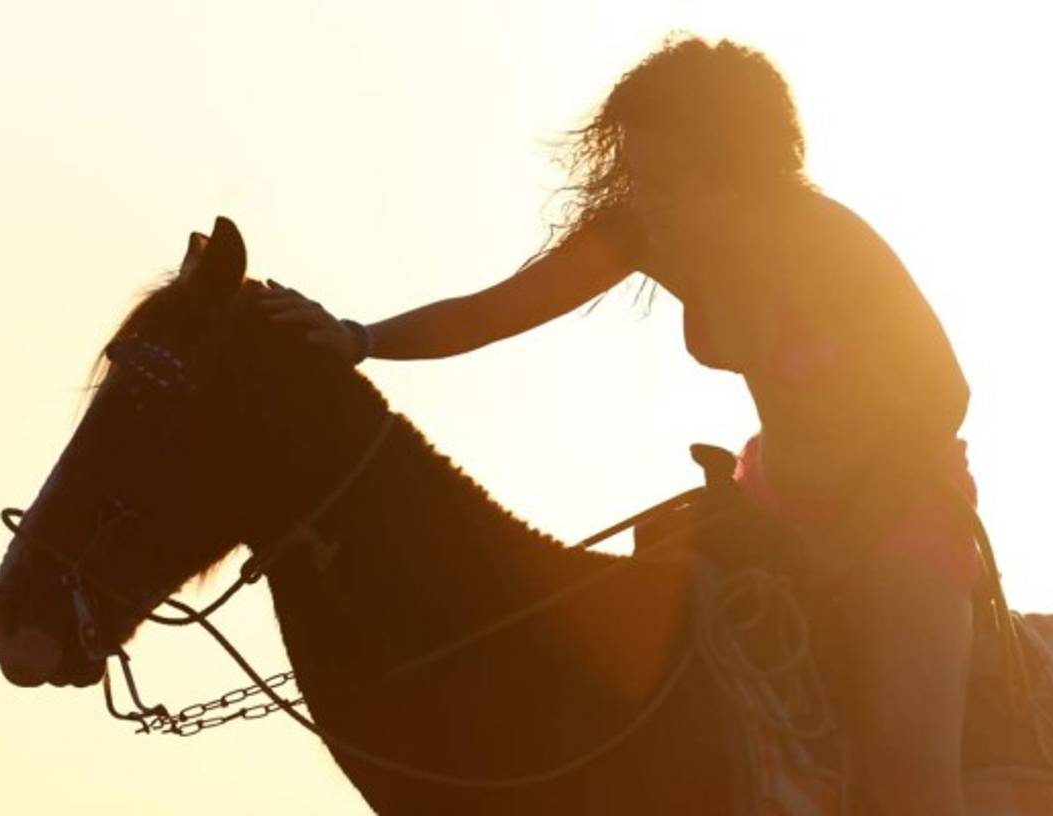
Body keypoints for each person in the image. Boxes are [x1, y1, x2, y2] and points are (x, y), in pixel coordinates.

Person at [261, 35, 978, 816]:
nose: (645, 196)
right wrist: (358, 339)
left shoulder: (829, 241)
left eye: (666, 178)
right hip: (773, 501)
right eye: (636, 172)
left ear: (732, 170)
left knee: (910, 774)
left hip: (901, 513)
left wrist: (850, 518)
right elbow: (494, 313)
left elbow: (944, 392)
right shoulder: (646, 232)